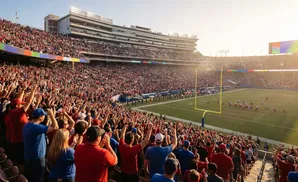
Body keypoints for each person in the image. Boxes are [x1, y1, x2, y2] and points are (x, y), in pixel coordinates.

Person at [23, 108, 58, 182]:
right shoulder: (36, 128)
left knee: (30, 177)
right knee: (38, 178)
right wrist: (51, 114)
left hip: (29, 156)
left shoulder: (28, 125)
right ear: (40, 117)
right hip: (37, 158)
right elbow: (56, 127)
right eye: (44, 115)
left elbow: (44, 128)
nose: (45, 117)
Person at [5, 86, 36, 167]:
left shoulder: (9, 113)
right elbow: (29, 101)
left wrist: (23, 89)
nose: (21, 106)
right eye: (20, 105)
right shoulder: (17, 113)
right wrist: (33, 90)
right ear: (17, 106)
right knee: (20, 163)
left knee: (12, 160)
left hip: (12, 139)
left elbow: (17, 101)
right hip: (19, 141)